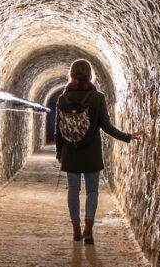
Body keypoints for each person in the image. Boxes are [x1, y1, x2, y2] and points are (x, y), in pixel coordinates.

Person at [54, 59, 143, 245]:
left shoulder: (63, 99)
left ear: (71, 74)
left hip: (71, 152)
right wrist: (128, 136)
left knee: (73, 190)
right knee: (92, 191)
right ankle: (88, 229)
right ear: (90, 75)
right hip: (91, 152)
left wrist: (60, 153)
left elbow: (59, 130)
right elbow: (106, 126)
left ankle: (76, 230)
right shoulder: (97, 97)